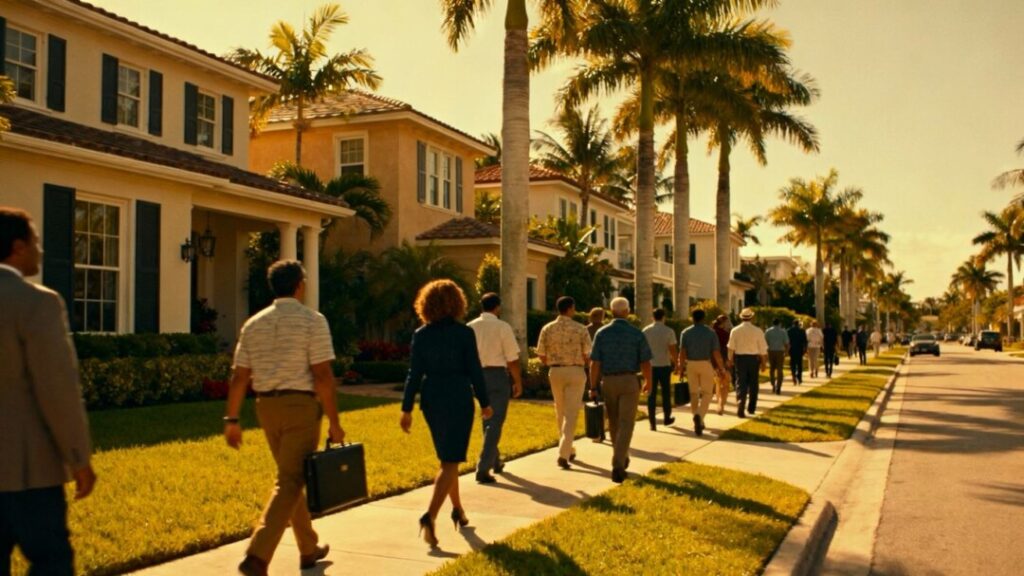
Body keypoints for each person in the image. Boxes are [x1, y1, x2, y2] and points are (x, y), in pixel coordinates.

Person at [228, 260, 341, 576]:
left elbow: (239, 377)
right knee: (290, 479)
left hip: (266, 407)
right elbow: (322, 375)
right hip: (300, 407)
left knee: (291, 477)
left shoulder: (253, 324)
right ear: (300, 285)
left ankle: (308, 548)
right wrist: (334, 420)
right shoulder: (312, 321)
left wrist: (232, 419)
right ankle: (257, 556)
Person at [1, 208, 96, 576]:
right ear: (17, 247)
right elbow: (57, 388)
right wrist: (78, 457)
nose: (40, 251)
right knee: (52, 561)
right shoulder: (38, 302)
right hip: (27, 470)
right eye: (37, 242)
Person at [400, 280, 493, 548]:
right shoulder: (464, 334)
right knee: (451, 462)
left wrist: (406, 408)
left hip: (431, 398)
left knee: (446, 458)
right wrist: (485, 402)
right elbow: (475, 370)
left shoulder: (421, 334)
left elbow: (414, 374)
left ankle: (458, 510)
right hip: (458, 396)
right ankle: (429, 517)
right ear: (457, 302)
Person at [590, 297, 653, 483]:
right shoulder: (636, 333)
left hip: (609, 380)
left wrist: (593, 386)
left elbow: (595, 363)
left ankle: (620, 456)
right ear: (627, 311)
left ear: (611, 311)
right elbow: (645, 361)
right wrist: (648, 381)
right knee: (627, 423)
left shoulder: (602, 333)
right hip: (629, 380)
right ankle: (618, 462)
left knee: (614, 422)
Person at [467, 293, 522, 484]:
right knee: (495, 421)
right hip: (497, 375)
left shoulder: (470, 327)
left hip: (476, 376)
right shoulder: (502, 327)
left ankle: (495, 461)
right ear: (497, 307)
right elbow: (512, 358)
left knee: (487, 418)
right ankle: (483, 467)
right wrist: (518, 381)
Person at [537, 296, 592, 469]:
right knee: (571, 414)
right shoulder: (580, 329)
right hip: (575, 371)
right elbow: (587, 353)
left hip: (555, 371)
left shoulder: (547, 328)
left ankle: (569, 448)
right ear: (570, 308)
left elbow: (541, 354)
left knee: (560, 410)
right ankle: (564, 453)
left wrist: (552, 362)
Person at [677, 309, 728, 436]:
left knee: (693, 393)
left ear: (692, 318)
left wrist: (680, 367)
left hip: (691, 364)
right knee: (707, 393)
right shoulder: (711, 332)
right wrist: (721, 368)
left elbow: (682, 352)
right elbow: (716, 353)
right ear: (703, 318)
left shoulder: (685, 332)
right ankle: (699, 416)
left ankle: (697, 417)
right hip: (705, 364)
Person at [727, 308, 769, 418]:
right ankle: (751, 407)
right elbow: (763, 349)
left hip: (740, 359)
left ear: (741, 317)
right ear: (752, 317)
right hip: (753, 359)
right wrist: (764, 363)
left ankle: (741, 401)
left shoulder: (735, 330)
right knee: (753, 383)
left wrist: (730, 360)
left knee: (741, 382)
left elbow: (731, 348)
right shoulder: (758, 330)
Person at [642, 308, 677, 430]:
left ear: (653, 317)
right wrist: (676, 363)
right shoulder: (669, 331)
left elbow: (643, 349)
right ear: (664, 317)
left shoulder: (646, 331)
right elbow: (672, 349)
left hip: (650, 366)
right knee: (666, 393)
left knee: (651, 393)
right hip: (664, 365)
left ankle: (652, 422)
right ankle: (667, 417)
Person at [764, 318, 790, 394]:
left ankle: (773, 385)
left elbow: (765, 343)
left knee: (772, 369)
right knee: (780, 369)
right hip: (780, 351)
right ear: (779, 323)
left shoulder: (768, 331)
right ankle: (779, 386)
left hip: (771, 351)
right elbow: (787, 343)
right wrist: (786, 352)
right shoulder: (783, 332)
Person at [787, 320, 808, 385]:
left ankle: (793, 374)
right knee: (799, 364)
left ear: (793, 324)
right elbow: (805, 341)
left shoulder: (789, 331)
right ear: (798, 324)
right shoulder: (802, 331)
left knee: (792, 363)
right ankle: (799, 377)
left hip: (792, 349)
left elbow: (787, 341)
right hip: (799, 349)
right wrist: (805, 349)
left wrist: (787, 349)